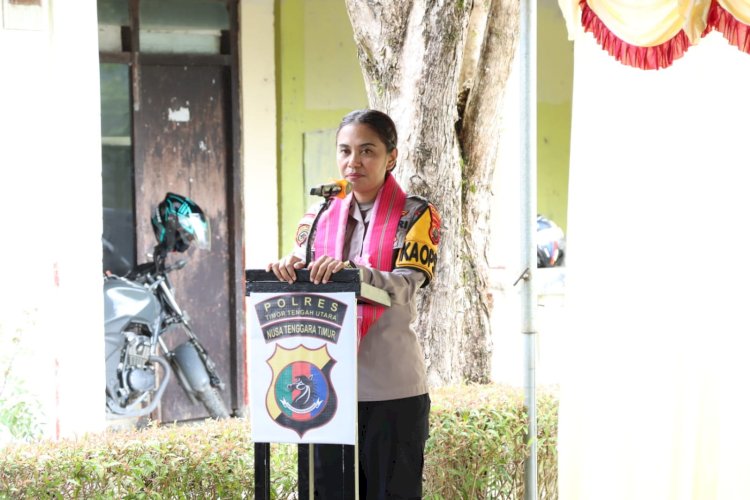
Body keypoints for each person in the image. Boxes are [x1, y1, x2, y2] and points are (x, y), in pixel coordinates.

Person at [266, 108, 441, 499]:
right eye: (345, 151)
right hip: (323, 388)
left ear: (391, 157)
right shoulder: (318, 215)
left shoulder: (416, 214)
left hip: (391, 389)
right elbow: (303, 271)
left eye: (367, 151)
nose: (353, 161)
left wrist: (355, 275)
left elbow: (406, 285)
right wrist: (288, 269)